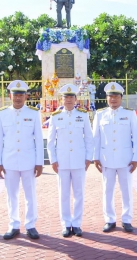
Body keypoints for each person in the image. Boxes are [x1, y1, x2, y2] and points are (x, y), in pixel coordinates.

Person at [0, 80, 44, 240]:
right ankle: (14, 225)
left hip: (28, 161)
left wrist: (39, 162)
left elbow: (38, 139)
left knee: (30, 195)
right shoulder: (2, 113)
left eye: (21, 94)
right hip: (9, 161)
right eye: (15, 94)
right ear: (10, 96)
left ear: (26, 96)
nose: (18, 98)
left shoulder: (33, 113)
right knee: (12, 195)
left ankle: (31, 225)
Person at [93, 82, 137, 233]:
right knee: (108, 190)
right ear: (106, 98)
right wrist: (96, 157)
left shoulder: (129, 114)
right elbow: (96, 138)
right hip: (106, 159)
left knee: (126, 190)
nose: (113, 99)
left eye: (116, 96)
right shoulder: (100, 114)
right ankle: (110, 219)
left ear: (121, 97)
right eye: (110, 96)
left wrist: (136, 158)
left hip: (125, 159)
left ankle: (127, 220)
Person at [47, 84, 94, 237]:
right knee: (64, 194)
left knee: (79, 193)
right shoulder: (55, 117)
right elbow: (50, 141)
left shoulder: (83, 115)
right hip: (61, 161)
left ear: (75, 99)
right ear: (62, 99)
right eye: (65, 97)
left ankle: (77, 224)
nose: (68, 100)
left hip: (79, 160)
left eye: (71, 97)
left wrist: (88, 158)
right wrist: (53, 159)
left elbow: (89, 138)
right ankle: (66, 224)